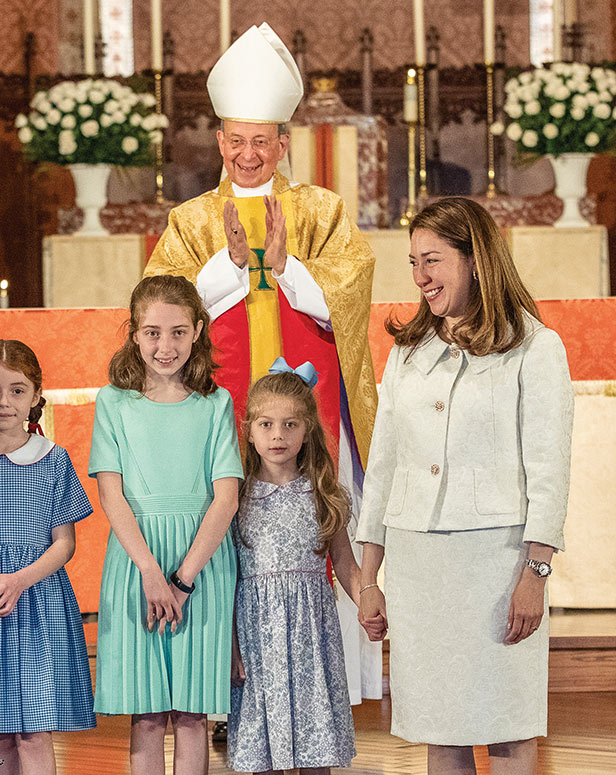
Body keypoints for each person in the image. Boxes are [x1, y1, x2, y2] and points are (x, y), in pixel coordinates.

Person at [143, 22, 380, 704]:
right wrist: (230, 264)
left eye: (262, 142)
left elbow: (353, 299)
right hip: (219, 414)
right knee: (224, 530)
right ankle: (227, 684)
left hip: (307, 413)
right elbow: (158, 311)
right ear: (220, 143)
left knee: (309, 536)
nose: (249, 155)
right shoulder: (191, 222)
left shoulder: (323, 210)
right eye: (236, 141)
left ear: (283, 143)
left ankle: (316, 683)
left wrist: (288, 268)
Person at [356, 197, 574, 774]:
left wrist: (536, 572)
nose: (421, 277)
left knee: (508, 723)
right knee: (439, 725)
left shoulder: (535, 346)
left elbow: (549, 471)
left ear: (474, 258)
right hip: (420, 561)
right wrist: (367, 575)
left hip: (496, 562)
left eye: (432, 260)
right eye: (412, 263)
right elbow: (384, 466)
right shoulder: (408, 352)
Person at [89, 275, 243, 774]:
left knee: (193, 712)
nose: (165, 345)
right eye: (152, 332)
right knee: (148, 712)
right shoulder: (113, 402)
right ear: (134, 333)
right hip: (138, 562)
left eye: (178, 332)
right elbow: (111, 493)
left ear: (198, 330)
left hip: (201, 564)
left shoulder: (215, 403)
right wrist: (154, 575)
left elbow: (226, 498)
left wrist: (183, 578)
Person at [0, 339, 96, 774]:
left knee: (34, 729)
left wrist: (19, 580)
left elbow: (64, 543)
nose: (3, 401)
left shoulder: (53, 460)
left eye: (17, 390)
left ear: (36, 396)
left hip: (36, 605)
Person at [229, 360, 385, 775]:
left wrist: (367, 598)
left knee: (317, 748)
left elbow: (347, 565)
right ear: (248, 429)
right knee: (262, 745)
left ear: (308, 429)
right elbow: (226, 579)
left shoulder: (323, 493)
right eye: (266, 424)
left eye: (290, 424)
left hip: (312, 639)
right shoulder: (234, 497)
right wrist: (229, 645)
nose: (278, 435)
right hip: (257, 637)